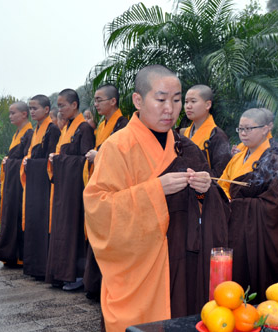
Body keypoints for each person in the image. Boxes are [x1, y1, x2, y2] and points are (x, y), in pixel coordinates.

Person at [83, 65, 229, 331]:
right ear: (138, 100)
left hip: (185, 266)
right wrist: (154, 190)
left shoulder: (187, 147)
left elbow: (215, 208)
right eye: (161, 99)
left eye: (176, 100)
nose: (170, 109)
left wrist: (205, 190)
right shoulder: (118, 147)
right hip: (142, 270)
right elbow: (98, 209)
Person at [219, 108, 278, 302]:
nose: (243, 133)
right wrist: (225, 200)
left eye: (249, 128)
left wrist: (239, 203)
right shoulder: (237, 158)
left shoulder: (272, 159)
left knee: (256, 278)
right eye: (240, 129)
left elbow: (276, 202)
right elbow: (223, 185)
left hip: (258, 233)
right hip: (236, 225)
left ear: (266, 129)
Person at [82, 84, 128, 301]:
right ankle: (95, 285)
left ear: (113, 101)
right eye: (95, 100)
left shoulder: (123, 124)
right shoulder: (102, 125)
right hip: (99, 184)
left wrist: (97, 156)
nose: (96, 103)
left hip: (114, 188)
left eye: (100, 99)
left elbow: (122, 156)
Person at [46, 89, 95, 290]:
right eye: (58, 105)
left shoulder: (83, 128)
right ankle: (62, 273)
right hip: (64, 190)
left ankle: (76, 275)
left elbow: (86, 160)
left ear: (74, 105)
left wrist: (59, 160)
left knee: (73, 228)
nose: (60, 109)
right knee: (62, 228)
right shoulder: (67, 128)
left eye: (63, 105)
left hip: (76, 191)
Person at [21, 95, 60, 279]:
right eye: (30, 108)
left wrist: (32, 163)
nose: (32, 111)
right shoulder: (36, 130)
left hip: (44, 187)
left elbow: (52, 161)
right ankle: (33, 267)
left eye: (35, 108)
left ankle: (43, 268)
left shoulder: (52, 130)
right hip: (34, 187)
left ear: (46, 110)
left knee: (42, 223)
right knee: (33, 222)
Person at [0, 102, 33, 266]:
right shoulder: (18, 133)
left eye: (13, 113)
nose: (10, 116)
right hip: (13, 183)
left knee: (18, 216)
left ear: (24, 114)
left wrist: (10, 162)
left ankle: (19, 256)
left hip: (21, 184)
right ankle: (10, 255)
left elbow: (27, 161)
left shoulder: (29, 133)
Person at [181, 84, 232, 177]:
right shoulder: (185, 133)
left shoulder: (217, 136)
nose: (188, 106)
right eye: (186, 102)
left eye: (193, 101)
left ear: (207, 105)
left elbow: (221, 174)